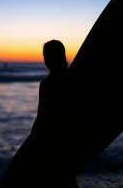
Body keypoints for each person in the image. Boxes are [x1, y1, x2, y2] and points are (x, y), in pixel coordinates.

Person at [30, 40, 79, 188]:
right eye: (45, 56)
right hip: (72, 140)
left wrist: (33, 143)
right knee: (67, 178)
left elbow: (42, 117)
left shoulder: (47, 84)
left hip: (53, 142)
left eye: (48, 56)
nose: (46, 60)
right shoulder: (76, 79)